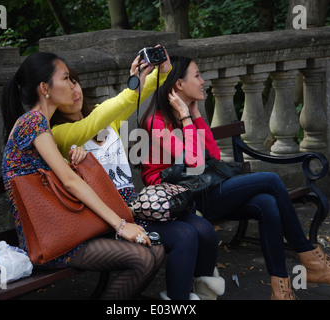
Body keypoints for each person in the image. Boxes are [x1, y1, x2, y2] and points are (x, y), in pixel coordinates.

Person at [139, 55, 330, 300]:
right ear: (179, 85)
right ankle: (310, 258)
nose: (203, 81)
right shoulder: (157, 122)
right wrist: (185, 116)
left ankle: (281, 290)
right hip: (184, 203)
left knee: (267, 203)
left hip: (203, 190)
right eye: (197, 75)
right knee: (270, 181)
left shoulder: (186, 115)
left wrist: (194, 114)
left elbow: (212, 155)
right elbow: (195, 162)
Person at [53, 49, 224, 300]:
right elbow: (104, 115)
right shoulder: (61, 134)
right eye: (66, 85)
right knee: (185, 236)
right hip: (108, 216)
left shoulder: (105, 120)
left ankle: (202, 294)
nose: (74, 89)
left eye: (75, 82)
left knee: (203, 229)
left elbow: (130, 100)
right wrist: (132, 90)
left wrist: (153, 73)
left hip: (135, 205)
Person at [0, 51, 164, 300]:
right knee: (143, 257)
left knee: (155, 251)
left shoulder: (41, 124)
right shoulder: (32, 122)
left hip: (69, 227)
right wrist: (121, 225)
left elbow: (59, 174)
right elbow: (69, 181)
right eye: (65, 78)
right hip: (53, 239)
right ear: (45, 88)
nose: (72, 84)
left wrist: (74, 156)